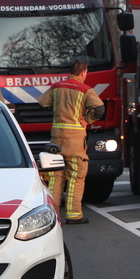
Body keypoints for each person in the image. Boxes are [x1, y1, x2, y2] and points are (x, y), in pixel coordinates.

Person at [37, 60, 103, 225]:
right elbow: (99, 108)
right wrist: (87, 119)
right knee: (76, 176)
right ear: (83, 72)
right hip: (75, 140)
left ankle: (53, 214)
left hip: (56, 138)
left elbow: (42, 102)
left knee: (55, 176)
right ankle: (74, 215)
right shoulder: (85, 90)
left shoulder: (56, 87)